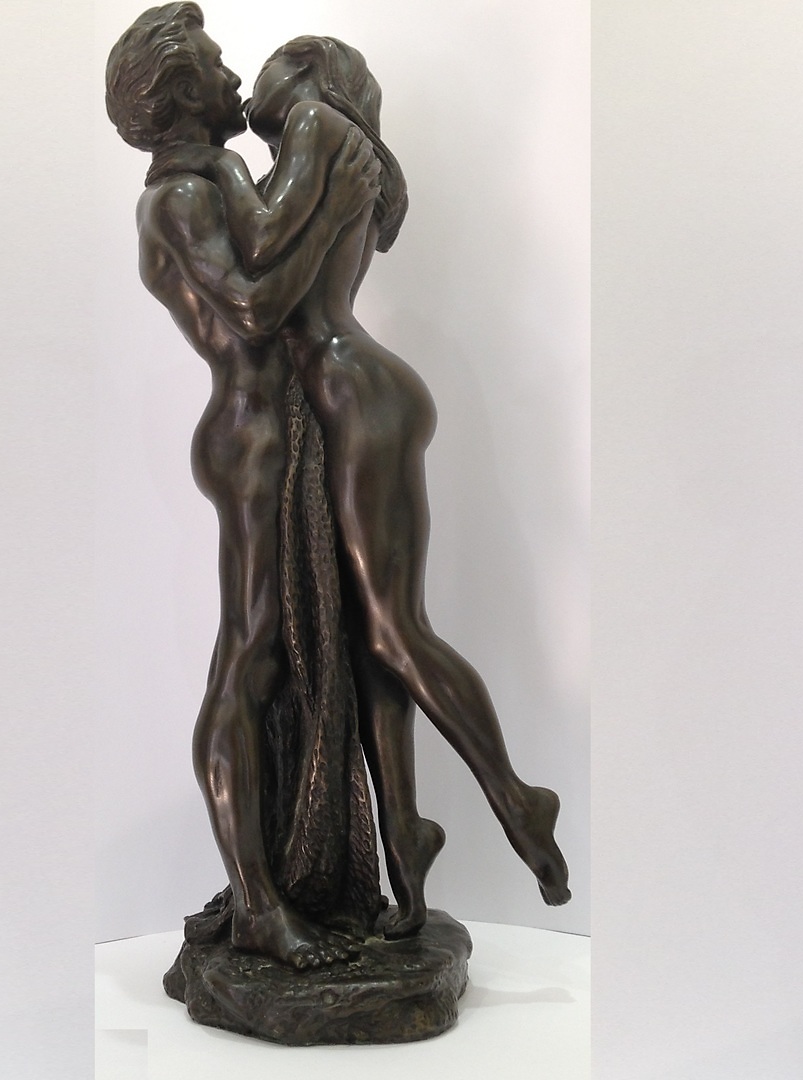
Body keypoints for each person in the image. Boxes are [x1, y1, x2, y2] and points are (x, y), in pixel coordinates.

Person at [178, 35, 572, 936]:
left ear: (309, 72)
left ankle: (516, 797)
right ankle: (404, 836)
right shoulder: (316, 148)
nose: (248, 80)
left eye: (266, 65)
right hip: (343, 399)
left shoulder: (317, 125)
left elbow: (263, 254)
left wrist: (218, 171)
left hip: (354, 393)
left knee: (394, 630)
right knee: (362, 637)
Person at [104, 6, 383, 969]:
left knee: (285, 649)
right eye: (218, 65)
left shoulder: (212, 177)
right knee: (250, 655)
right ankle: (260, 903)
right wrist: (335, 202)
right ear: (185, 92)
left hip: (278, 428)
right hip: (250, 435)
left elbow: (270, 253)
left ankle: (296, 870)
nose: (234, 77)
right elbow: (258, 309)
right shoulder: (178, 198)